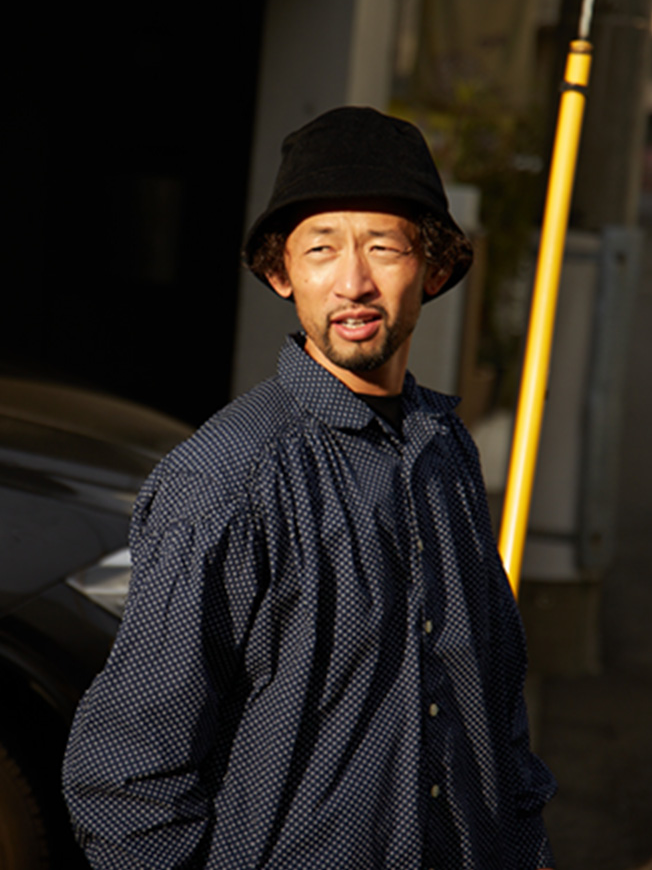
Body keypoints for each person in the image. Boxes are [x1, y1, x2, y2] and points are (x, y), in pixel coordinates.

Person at [63, 106, 556, 869]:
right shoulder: (225, 482)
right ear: (281, 273)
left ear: (431, 269)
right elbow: (126, 779)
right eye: (322, 249)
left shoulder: (446, 452)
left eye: (383, 247)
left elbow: (494, 714)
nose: (353, 282)